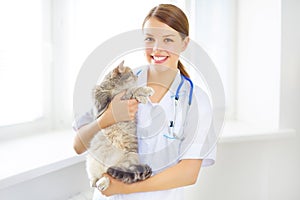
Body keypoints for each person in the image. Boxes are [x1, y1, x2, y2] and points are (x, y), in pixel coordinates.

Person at [73, 4, 216, 200]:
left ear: (184, 43)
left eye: (168, 39)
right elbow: (78, 145)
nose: (157, 48)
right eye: (150, 39)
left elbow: (188, 173)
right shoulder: (121, 82)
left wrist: (124, 188)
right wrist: (107, 118)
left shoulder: (196, 102)